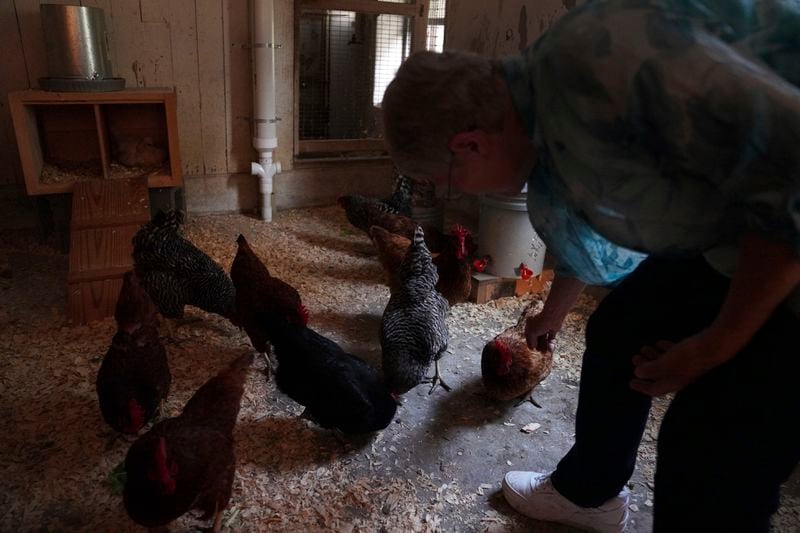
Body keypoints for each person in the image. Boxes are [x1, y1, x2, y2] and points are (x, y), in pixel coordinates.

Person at [381, 1, 800, 531]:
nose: (454, 195)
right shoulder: (540, 119)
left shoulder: (609, 72)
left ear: (469, 144)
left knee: (705, 460)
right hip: (737, 239)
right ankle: (590, 493)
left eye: (447, 182)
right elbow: (594, 230)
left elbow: (789, 182)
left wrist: (716, 343)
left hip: (785, 250)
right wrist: (552, 315)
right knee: (619, 330)